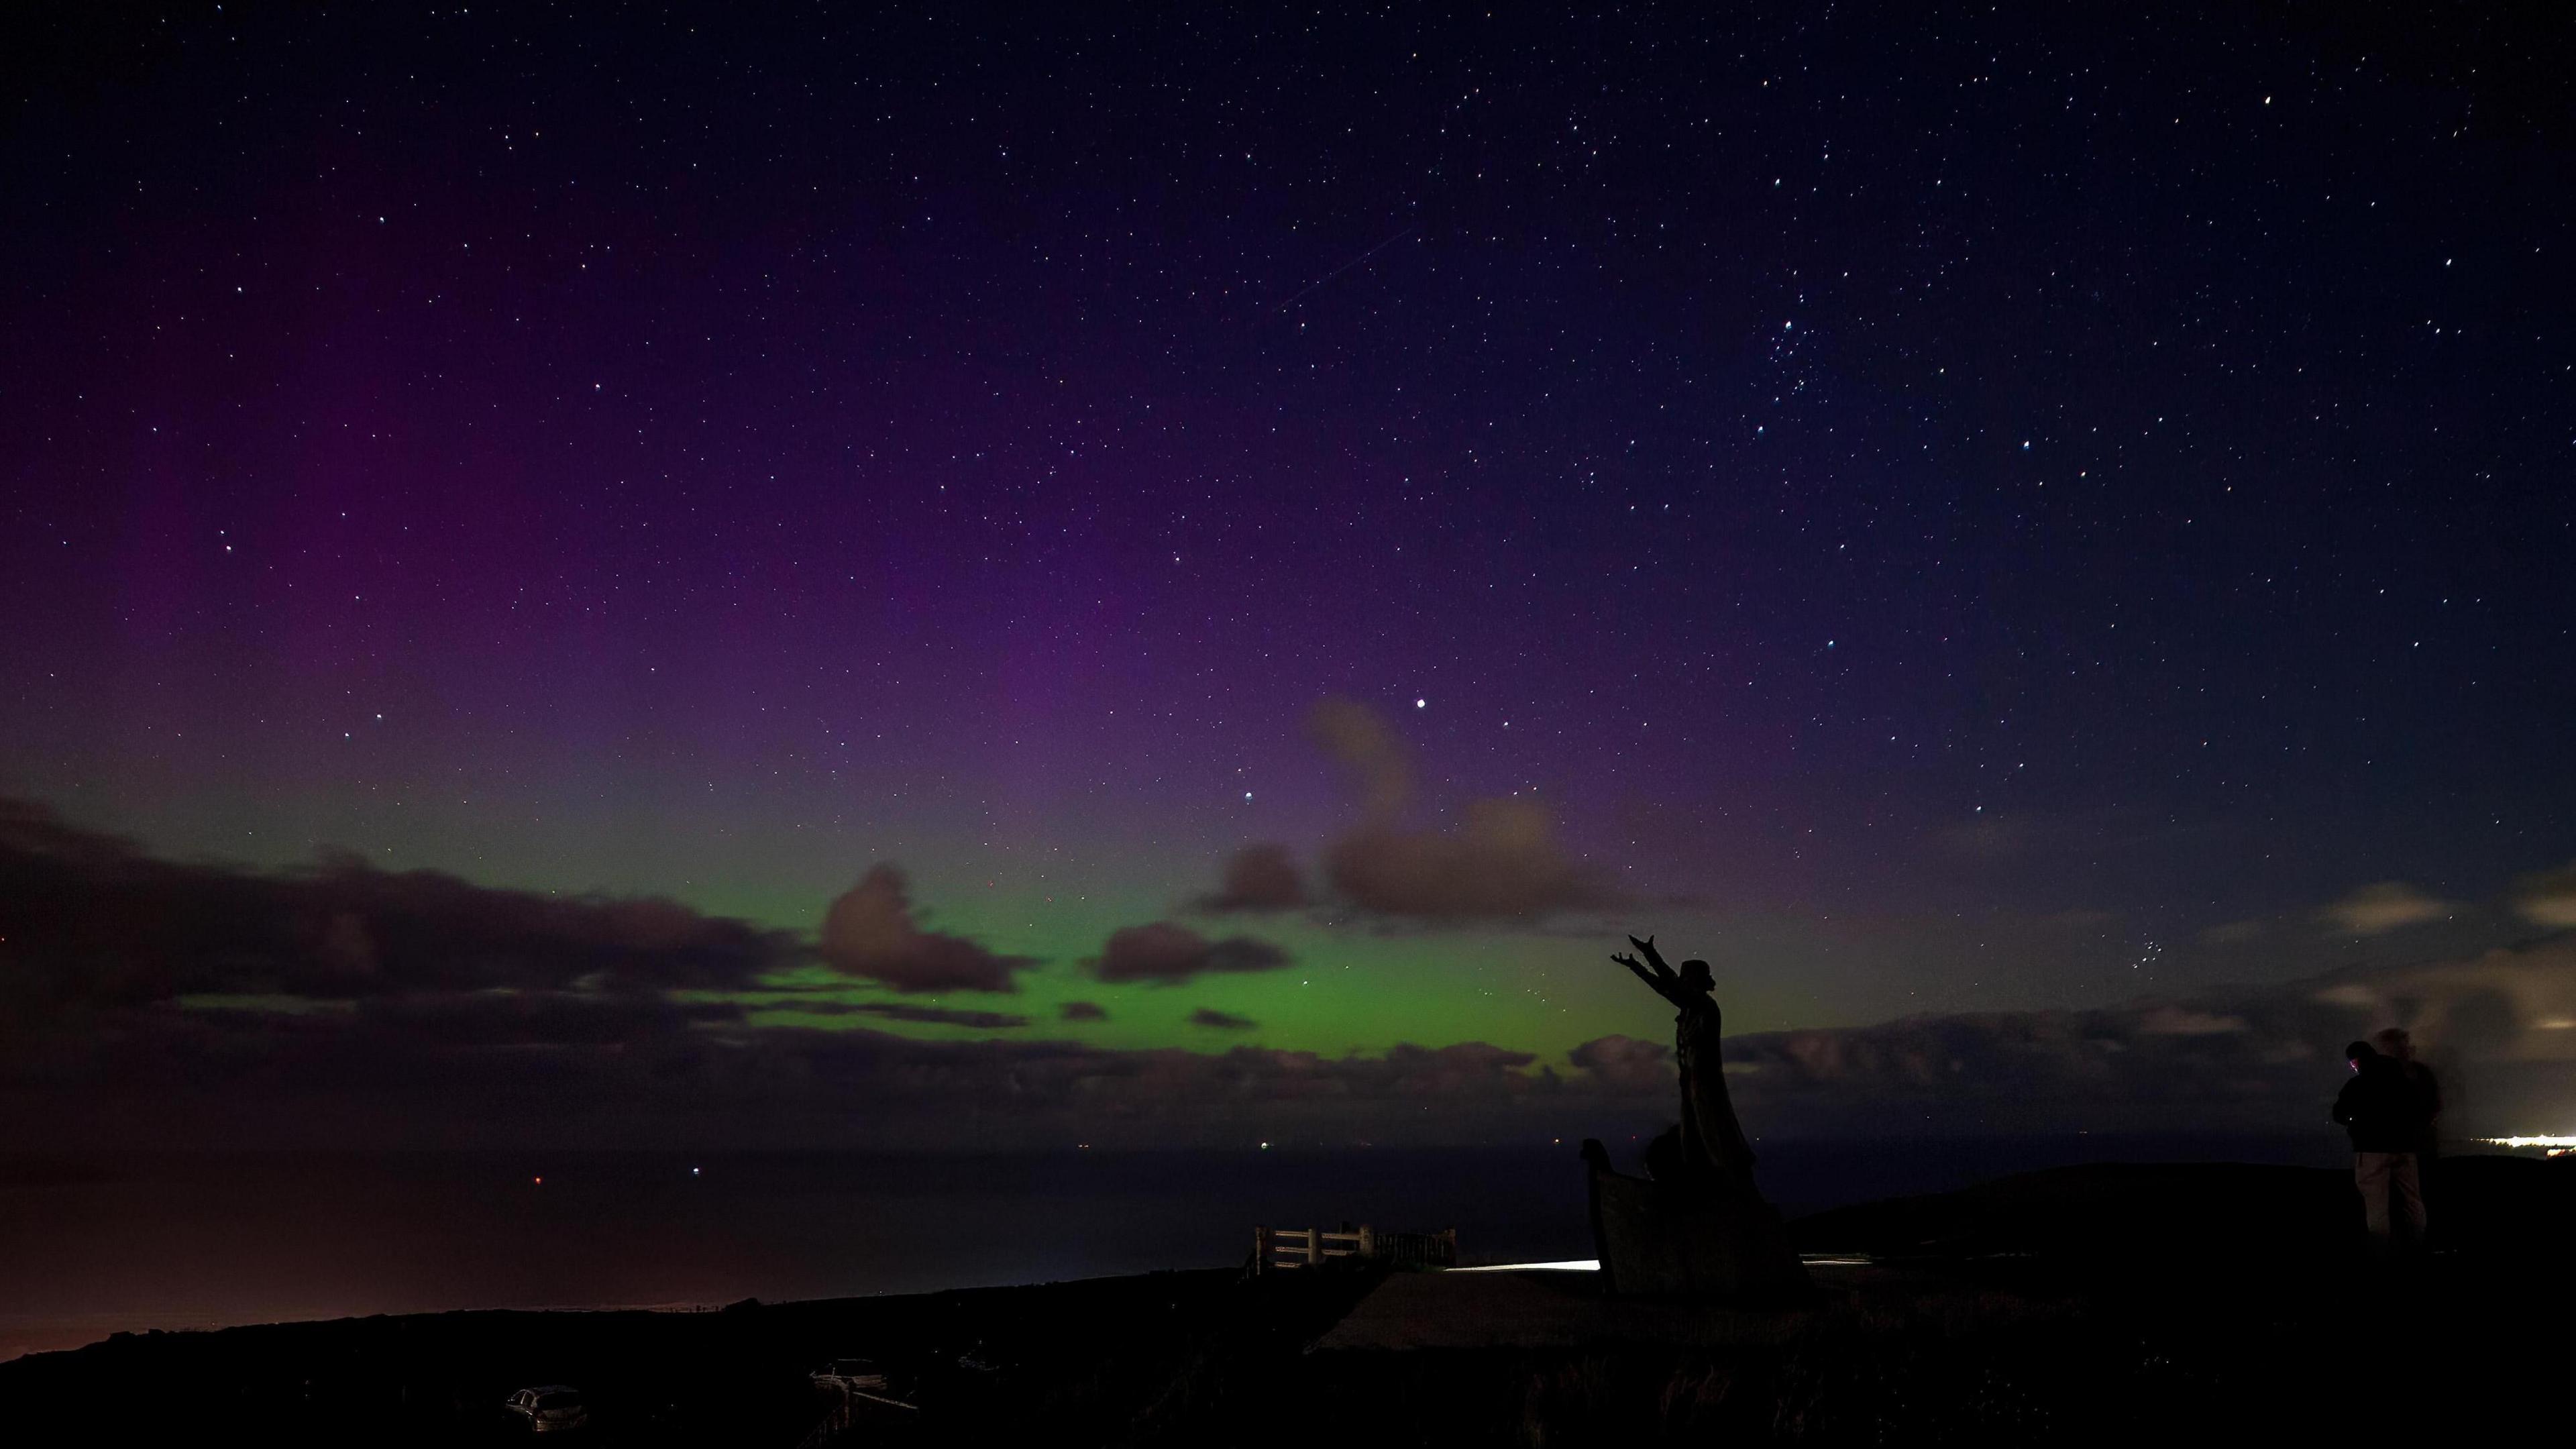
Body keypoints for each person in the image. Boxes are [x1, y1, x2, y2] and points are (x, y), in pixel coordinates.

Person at [1610, 934, 1760, 1194]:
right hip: (1691, 1076)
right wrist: (1636, 967)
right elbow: (1664, 988)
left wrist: (1650, 954)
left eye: (1686, 979)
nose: (1682, 983)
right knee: (1694, 1125)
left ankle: (1723, 1177)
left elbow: (1670, 985)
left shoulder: (1704, 1006)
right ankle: (1700, 1172)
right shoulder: (1691, 1008)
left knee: (1710, 1124)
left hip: (1705, 1078)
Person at [2332, 1040, 2428, 1255]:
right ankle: (2417, 1248)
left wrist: (2355, 1120)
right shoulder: (2404, 1082)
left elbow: (2338, 1114)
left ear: (2356, 1061)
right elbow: (2419, 1110)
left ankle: (2381, 1254)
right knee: (2412, 1200)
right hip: (2405, 1149)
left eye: (2353, 1063)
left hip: (2371, 1150)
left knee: (2376, 1205)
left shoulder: (2357, 1085)